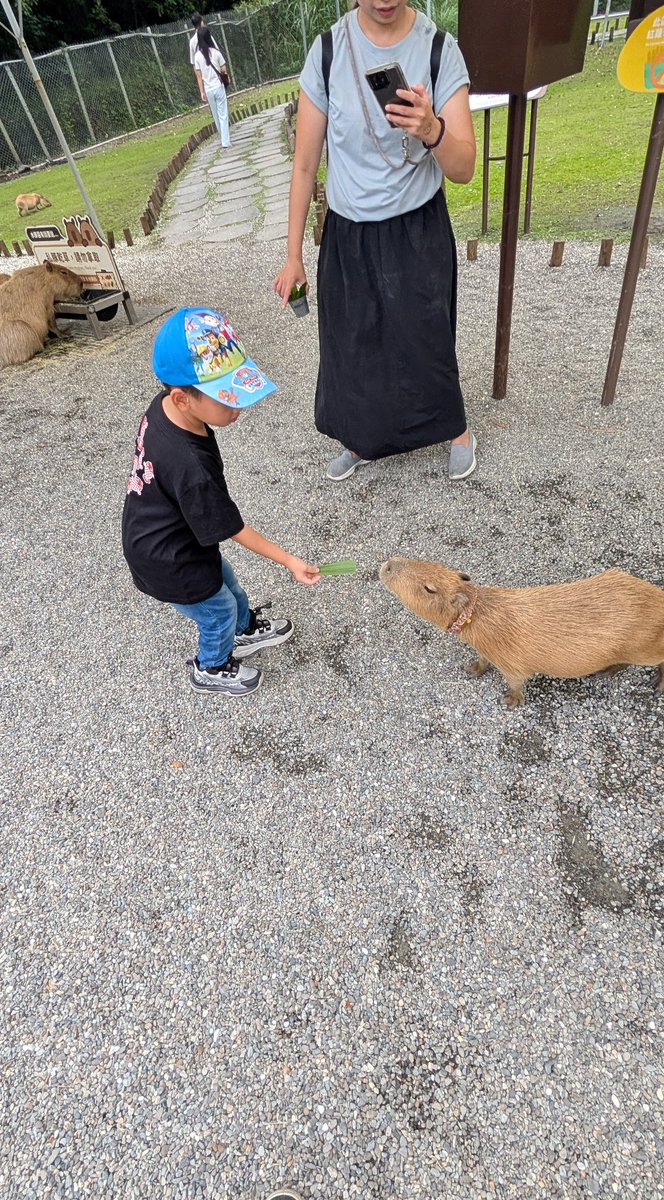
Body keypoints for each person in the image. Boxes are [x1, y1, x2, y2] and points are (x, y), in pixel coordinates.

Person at [274, 0, 477, 483]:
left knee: (426, 335)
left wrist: (430, 128)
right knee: (353, 343)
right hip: (348, 231)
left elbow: (465, 167)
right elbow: (304, 166)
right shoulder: (326, 52)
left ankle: (457, 431)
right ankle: (361, 438)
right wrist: (292, 255)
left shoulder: (438, 48)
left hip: (417, 225)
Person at [122, 307, 320, 698]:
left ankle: (244, 630)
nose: (238, 407)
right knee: (217, 611)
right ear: (182, 398)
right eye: (227, 399)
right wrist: (290, 561)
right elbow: (234, 529)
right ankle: (210, 666)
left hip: (174, 534)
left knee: (227, 583)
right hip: (167, 557)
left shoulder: (165, 406)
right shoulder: (190, 467)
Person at [194, 26, 231, 149]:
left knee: (216, 115)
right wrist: (227, 77)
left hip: (208, 89)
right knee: (223, 114)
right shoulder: (216, 52)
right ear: (209, 37)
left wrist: (202, 92)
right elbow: (223, 69)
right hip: (219, 87)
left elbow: (199, 77)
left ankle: (222, 138)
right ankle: (225, 141)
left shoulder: (197, 57)